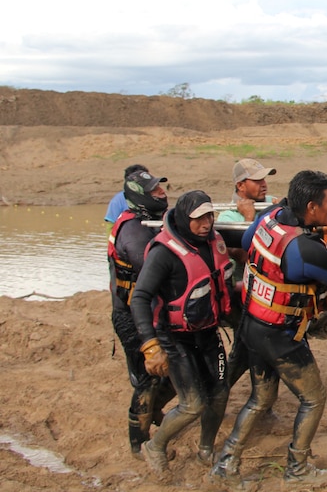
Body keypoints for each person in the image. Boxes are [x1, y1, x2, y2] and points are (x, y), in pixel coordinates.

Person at [210, 170, 327, 491]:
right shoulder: (306, 249)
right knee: (314, 399)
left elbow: (249, 241)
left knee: (260, 398)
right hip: (281, 337)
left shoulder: (271, 218)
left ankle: (227, 463)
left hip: (252, 326)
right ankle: (297, 468)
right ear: (310, 207)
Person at [129, 190, 233, 476]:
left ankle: (205, 450)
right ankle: (155, 446)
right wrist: (151, 346)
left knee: (220, 394)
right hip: (175, 338)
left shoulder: (214, 243)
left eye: (210, 217)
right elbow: (140, 298)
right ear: (184, 218)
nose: (206, 224)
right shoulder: (164, 253)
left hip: (208, 333)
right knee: (193, 404)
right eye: (199, 219)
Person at [107, 170, 175, 459]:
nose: (161, 193)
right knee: (148, 379)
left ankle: (153, 411)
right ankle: (138, 443)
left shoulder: (155, 222)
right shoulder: (133, 232)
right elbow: (155, 270)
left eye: (160, 188)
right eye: (154, 190)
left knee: (172, 373)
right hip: (133, 317)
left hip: (154, 313)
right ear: (138, 196)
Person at [216, 158, 278, 388]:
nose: (264, 184)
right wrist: (250, 219)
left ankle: (259, 398)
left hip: (266, 293)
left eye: (264, 179)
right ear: (240, 186)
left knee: (257, 349)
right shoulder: (229, 217)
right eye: (257, 180)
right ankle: (216, 396)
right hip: (244, 295)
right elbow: (243, 254)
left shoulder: (271, 203)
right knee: (246, 350)